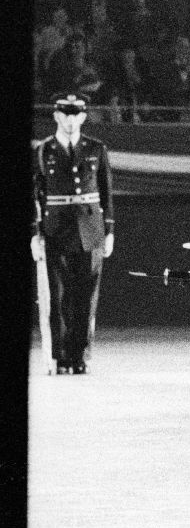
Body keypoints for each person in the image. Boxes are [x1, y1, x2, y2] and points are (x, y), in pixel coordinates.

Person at [32, 92, 114, 375]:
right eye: (64, 113)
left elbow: (105, 192)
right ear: (56, 116)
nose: (70, 119)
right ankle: (59, 356)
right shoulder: (45, 150)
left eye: (75, 113)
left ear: (83, 116)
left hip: (90, 228)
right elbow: (35, 195)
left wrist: (110, 230)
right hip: (56, 228)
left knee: (85, 295)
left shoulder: (96, 149)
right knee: (56, 295)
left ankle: (79, 355)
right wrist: (35, 233)